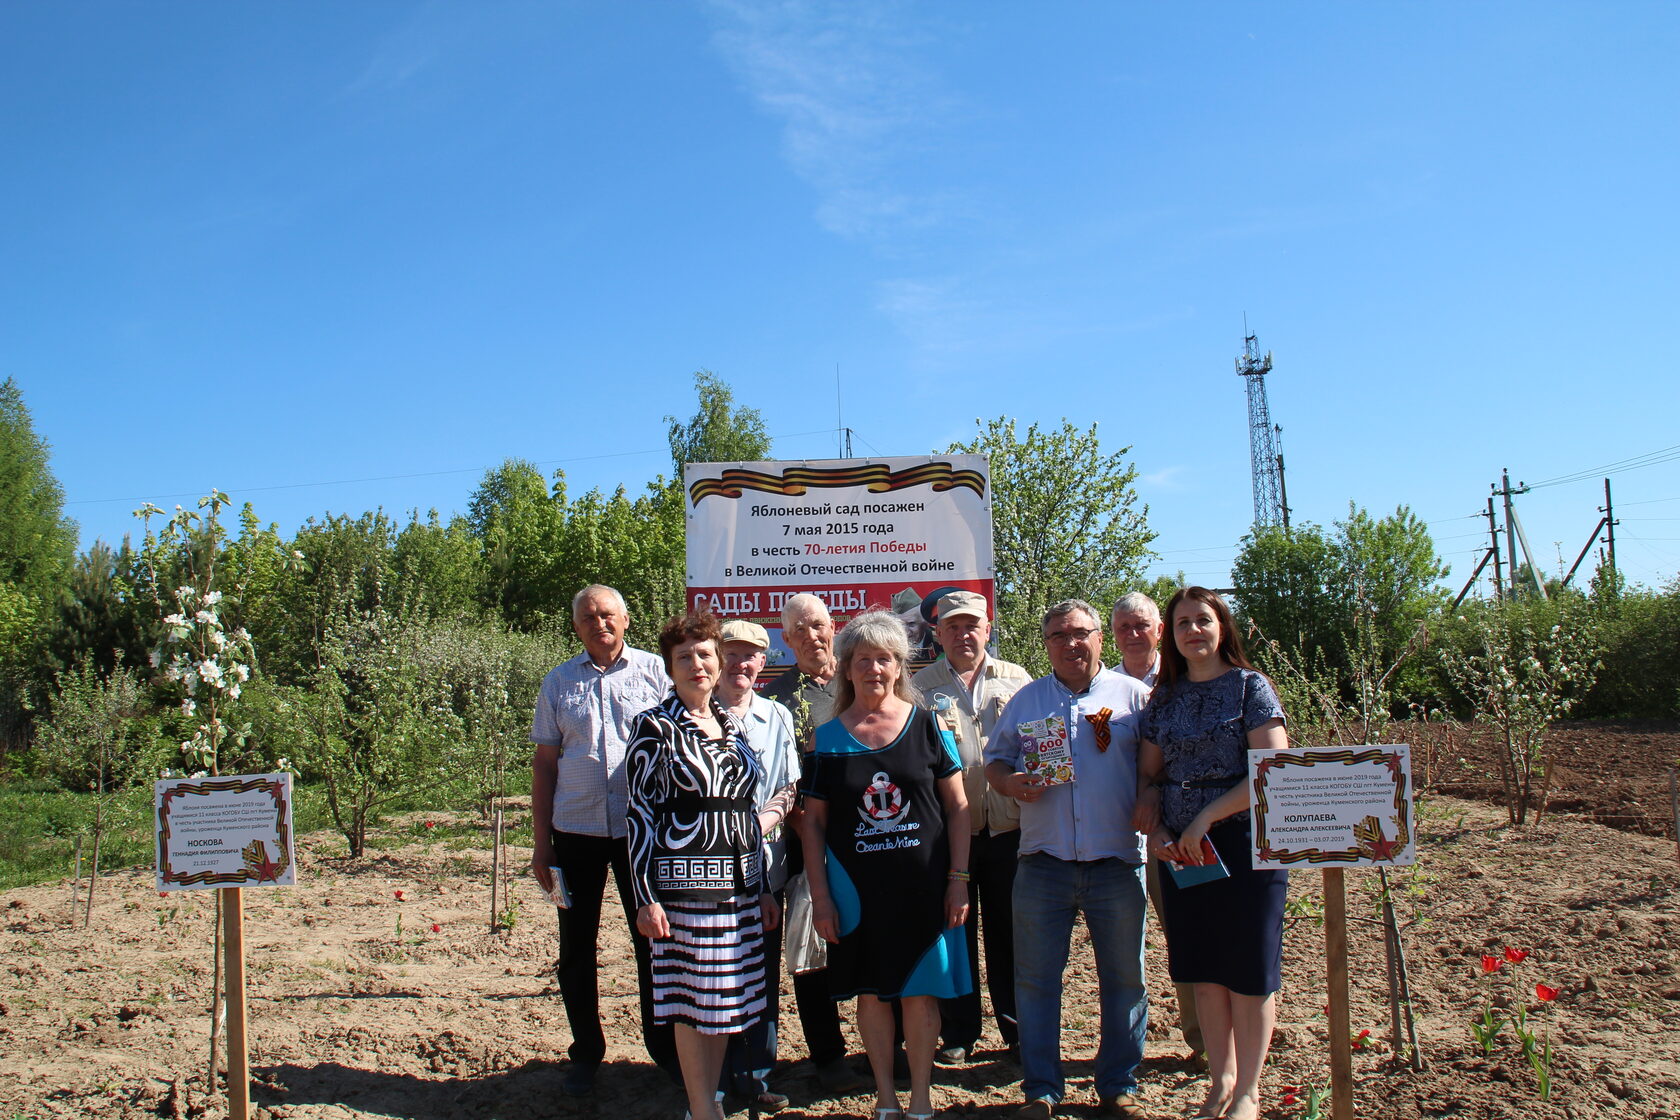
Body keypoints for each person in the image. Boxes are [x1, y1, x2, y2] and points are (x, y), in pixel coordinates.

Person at [801, 609, 972, 1120]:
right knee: (872, 995)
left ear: (899, 667)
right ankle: (885, 1099)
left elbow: (959, 807)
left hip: (925, 888)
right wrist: (822, 897)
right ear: (845, 668)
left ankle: (920, 1098)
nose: (873, 669)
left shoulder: (928, 726)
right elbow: (811, 825)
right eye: (861, 660)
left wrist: (959, 880)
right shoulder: (826, 739)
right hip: (855, 893)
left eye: (884, 660)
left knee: (921, 994)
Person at [984, 600, 1150, 1120]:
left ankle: (1119, 1084)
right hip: (1043, 862)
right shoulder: (1027, 700)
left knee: (1125, 979)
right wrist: (1009, 782)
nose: (1070, 643)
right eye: (1058, 636)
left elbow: (1159, 767)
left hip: (1117, 862)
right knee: (1034, 981)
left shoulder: (1135, 697)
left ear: (1101, 638)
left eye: (1081, 633)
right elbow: (995, 760)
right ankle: (1041, 1089)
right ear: (1046, 644)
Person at [1133, 587, 1289, 1120]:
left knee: (1247, 969)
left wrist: (1206, 816)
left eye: (1203, 620)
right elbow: (1149, 773)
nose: (1193, 630)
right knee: (1203, 967)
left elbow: (1272, 768)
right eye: (1182, 624)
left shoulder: (1251, 688)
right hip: (1183, 852)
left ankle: (1249, 1089)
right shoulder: (1165, 697)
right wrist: (1153, 820)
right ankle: (1219, 1080)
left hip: (1244, 845)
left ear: (1221, 625)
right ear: (1170, 636)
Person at [626, 611, 780, 1120]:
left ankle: (704, 1103)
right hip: (683, 892)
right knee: (693, 1006)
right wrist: (645, 898)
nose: (697, 664)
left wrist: (760, 887)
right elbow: (640, 816)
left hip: (739, 890)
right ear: (670, 667)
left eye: (705, 654)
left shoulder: (732, 727)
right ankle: (702, 1109)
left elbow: (746, 813)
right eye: (684, 657)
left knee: (724, 1004)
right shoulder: (655, 727)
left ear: (719, 662)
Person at [530, 584, 678, 1095]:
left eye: (608, 615)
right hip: (575, 832)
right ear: (576, 626)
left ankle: (665, 1053)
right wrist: (541, 844)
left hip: (643, 834)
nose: (600, 624)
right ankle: (586, 1054)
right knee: (576, 947)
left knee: (653, 940)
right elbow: (545, 765)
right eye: (589, 617)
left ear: (626, 619)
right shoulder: (558, 683)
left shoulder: (657, 674)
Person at [910, 590, 1032, 1064]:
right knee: (954, 935)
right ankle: (959, 1032)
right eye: (952, 627)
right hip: (948, 836)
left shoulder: (1019, 680)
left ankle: (1018, 1031)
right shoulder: (919, 687)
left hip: (1011, 831)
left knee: (1011, 935)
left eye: (971, 625)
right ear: (937, 634)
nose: (963, 634)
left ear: (987, 629)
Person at [762, 592, 866, 1096]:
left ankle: (880, 1045)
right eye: (798, 630)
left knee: (870, 940)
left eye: (818, 626)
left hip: (869, 837)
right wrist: (802, 823)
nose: (811, 637)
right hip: (806, 840)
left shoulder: (860, 684)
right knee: (810, 949)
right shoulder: (777, 699)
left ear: (834, 628)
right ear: (786, 639)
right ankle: (827, 1054)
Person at [1111, 591, 1205, 1064]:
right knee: (1127, 950)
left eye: (1141, 625)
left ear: (1159, 630)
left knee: (1189, 934)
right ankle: (1129, 1048)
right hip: (1119, 835)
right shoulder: (1103, 686)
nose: (1132, 634)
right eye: (1123, 627)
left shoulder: (1183, 681)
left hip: (1174, 831)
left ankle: (1203, 1039)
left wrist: (1155, 791)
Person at [714, 619, 802, 1112]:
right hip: (704, 869)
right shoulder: (692, 715)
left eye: (751, 655)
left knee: (761, 969)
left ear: (764, 662)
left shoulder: (777, 716)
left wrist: (756, 825)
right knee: (716, 968)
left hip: (764, 865)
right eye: (731, 652)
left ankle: (755, 1074)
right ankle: (718, 1075)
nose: (740, 663)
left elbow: (788, 787)